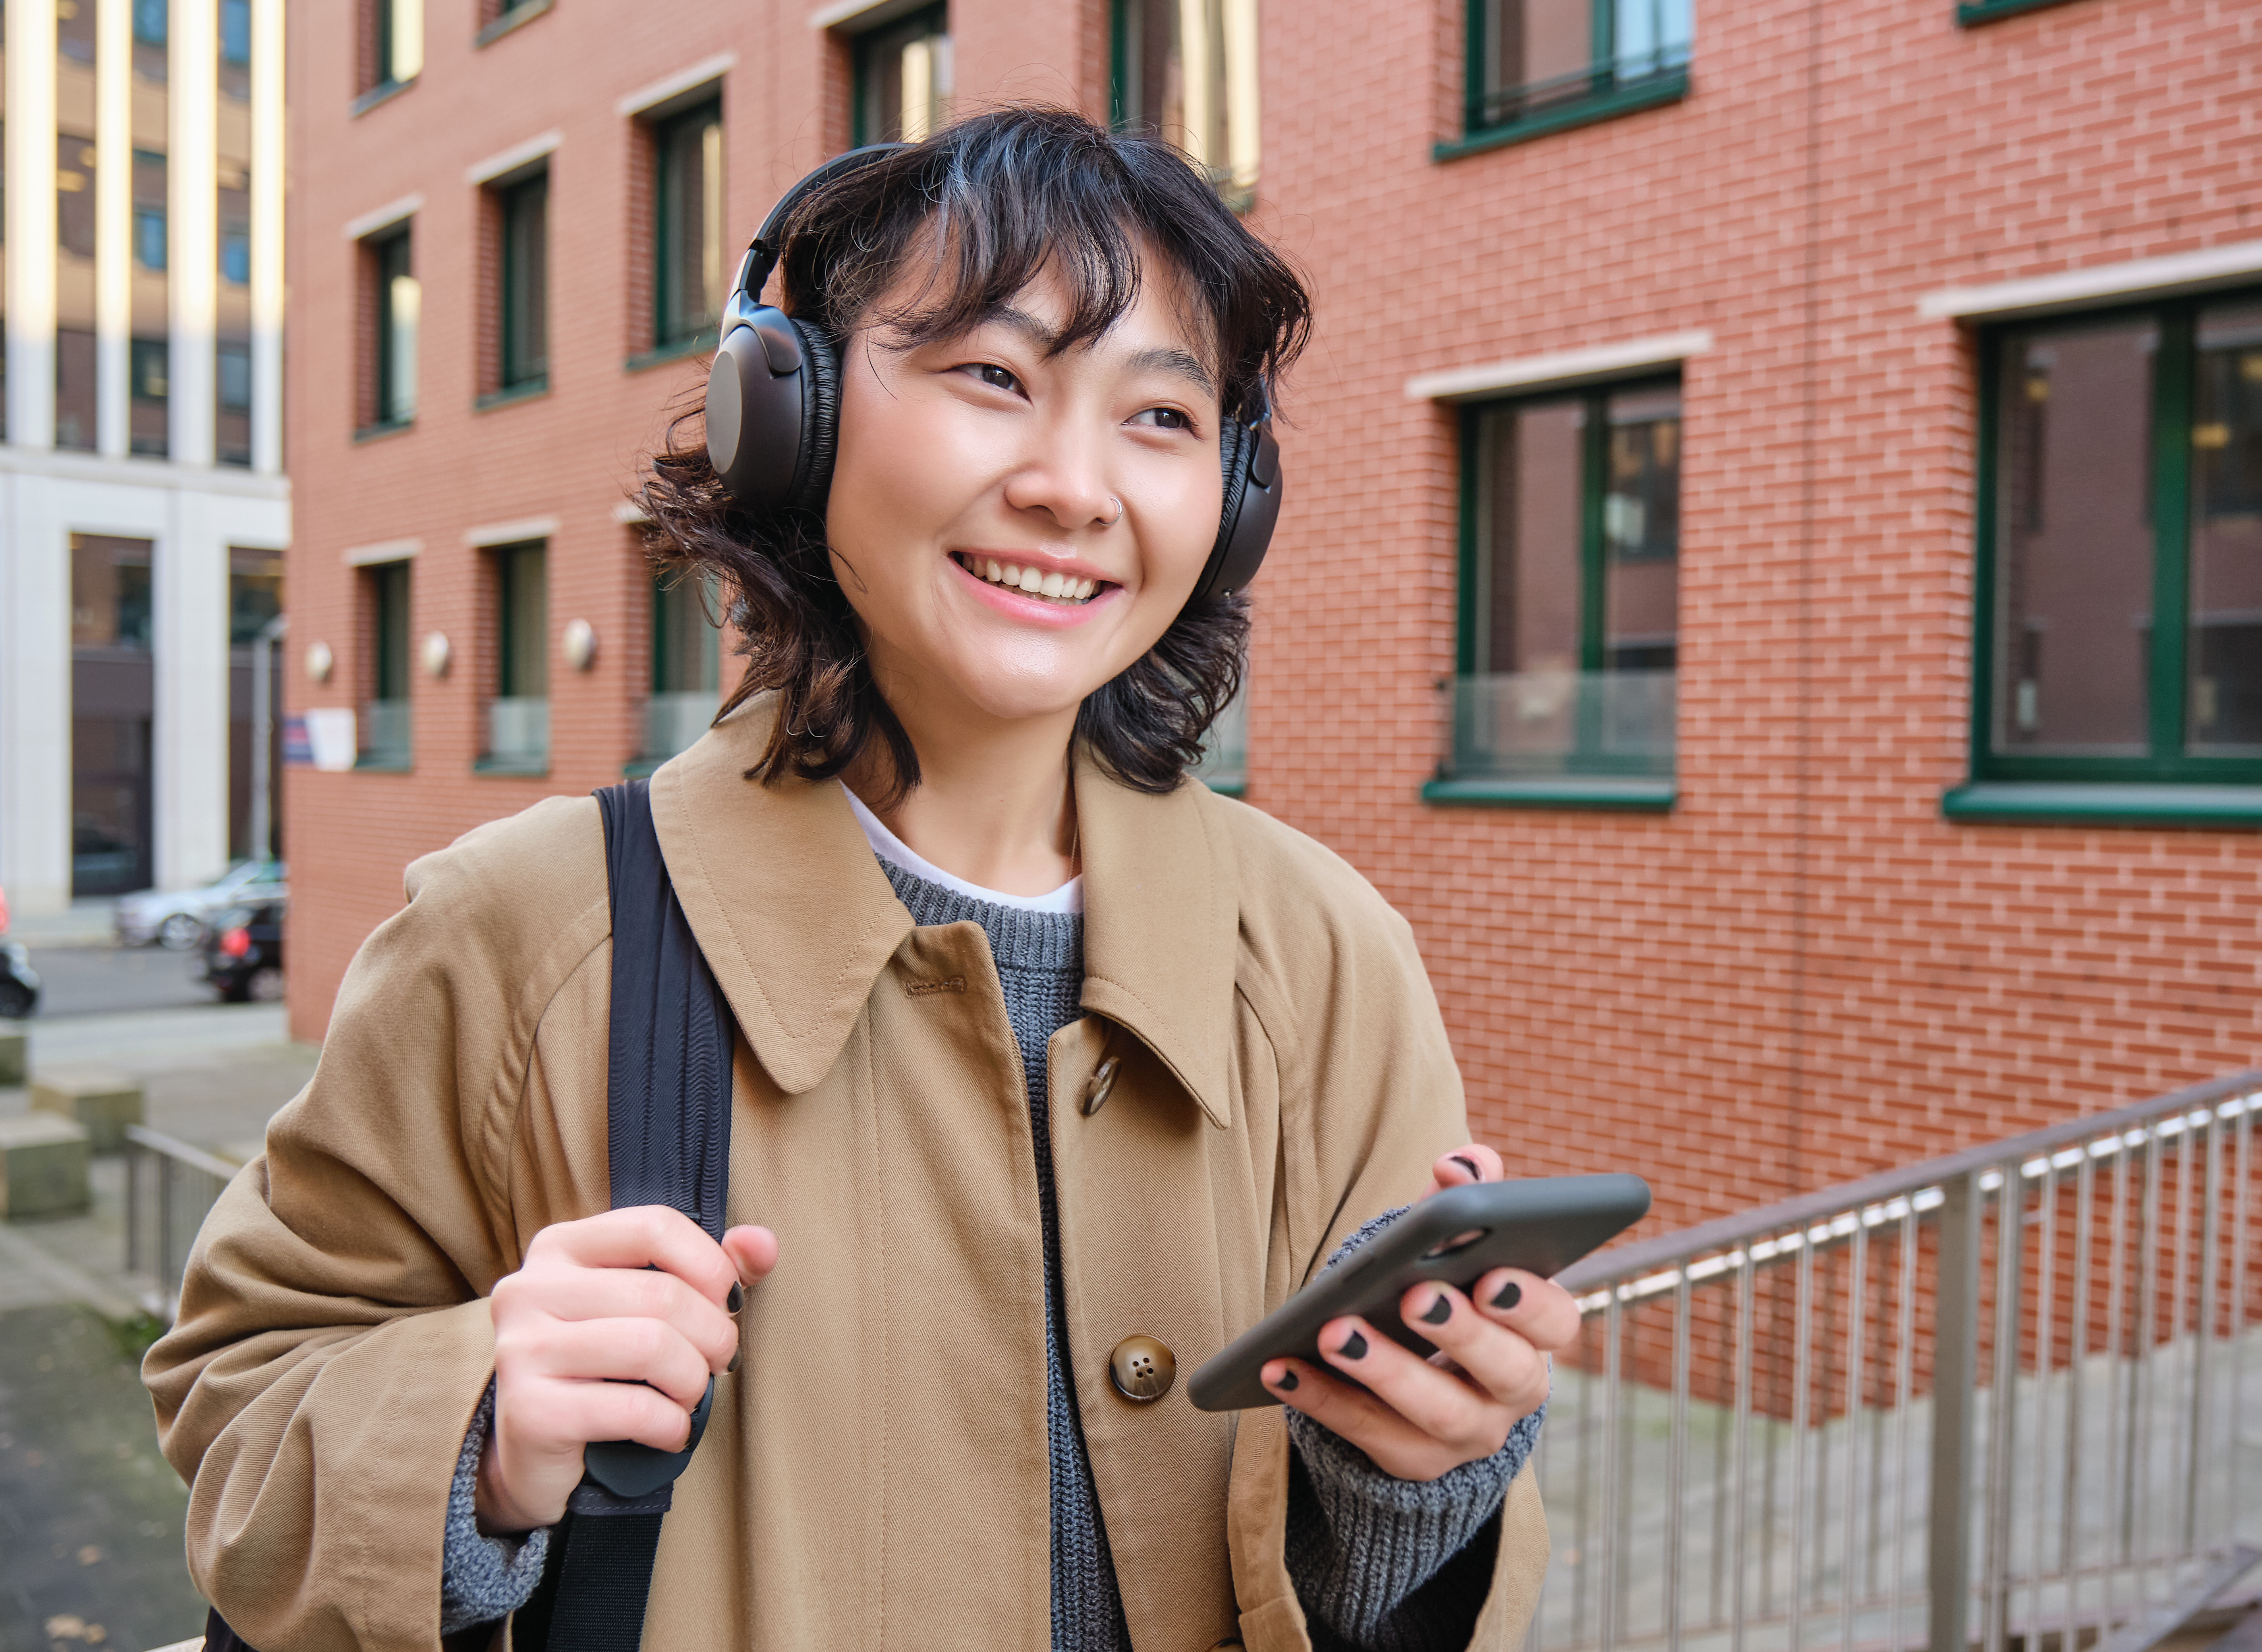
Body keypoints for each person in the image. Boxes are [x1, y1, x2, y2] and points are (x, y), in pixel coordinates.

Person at [145, 106, 1574, 1651]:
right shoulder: (530, 927)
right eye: (993, 378)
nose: (1074, 486)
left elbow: (1383, 1586)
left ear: (1230, 505)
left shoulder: (1324, 949)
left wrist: (1419, 1472)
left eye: (1160, 417)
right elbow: (240, 1402)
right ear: (791, 412)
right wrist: (477, 1435)